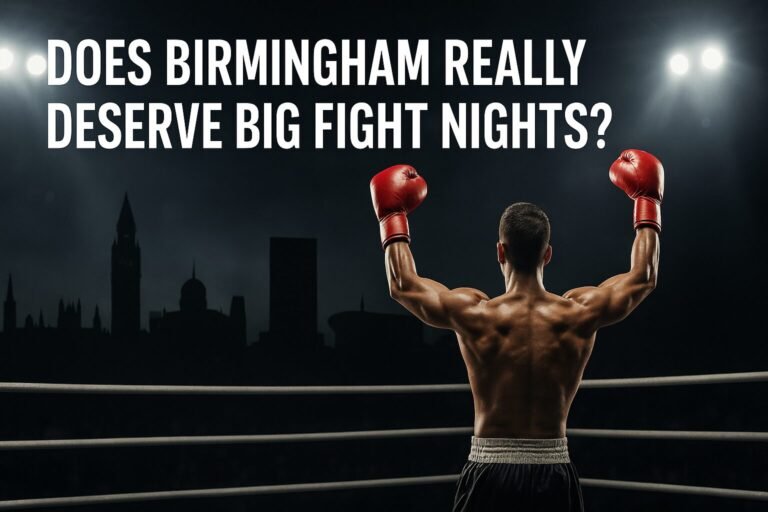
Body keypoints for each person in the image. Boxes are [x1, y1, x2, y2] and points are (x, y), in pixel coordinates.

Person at [369, 150, 663, 511]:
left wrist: (392, 216)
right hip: (552, 468)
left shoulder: (475, 313)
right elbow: (643, 277)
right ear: (548, 254)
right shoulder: (578, 312)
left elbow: (403, 284)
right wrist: (648, 202)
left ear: (500, 252)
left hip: (489, 470)